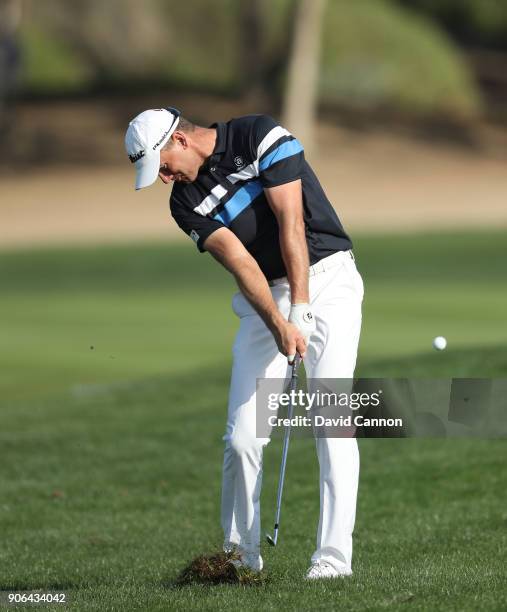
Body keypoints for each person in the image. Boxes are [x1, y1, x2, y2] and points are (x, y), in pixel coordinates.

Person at [125, 107, 364, 579]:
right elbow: (241, 262)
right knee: (241, 438)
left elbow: (290, 221)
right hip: (264, 301)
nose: (164, 179)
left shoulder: (260, 136)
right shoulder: (183, 203)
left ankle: (332, 560)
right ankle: (239, 558)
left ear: (180, 141)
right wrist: (279, 322)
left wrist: (302, 307)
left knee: (331, 421)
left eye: (164, 166)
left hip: (328, 280)